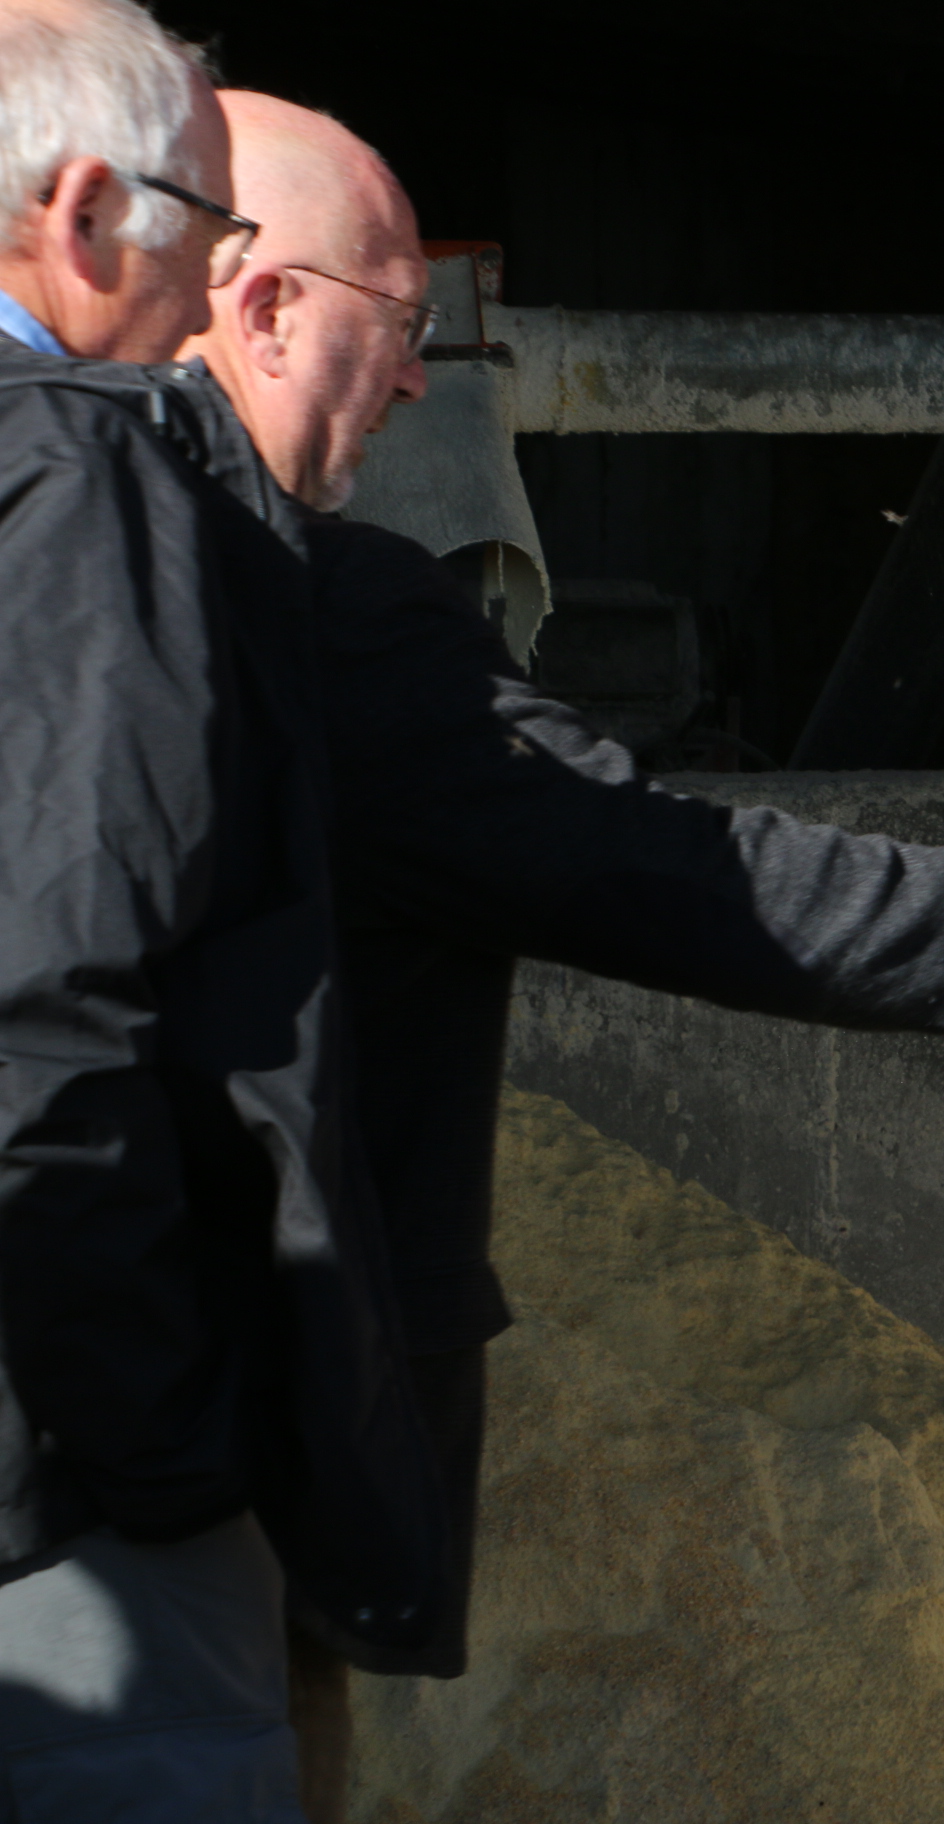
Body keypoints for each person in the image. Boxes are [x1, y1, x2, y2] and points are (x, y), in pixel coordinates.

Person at [172, 90, 944, 1818]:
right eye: (400, 326)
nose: (422, 383)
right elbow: (647, 869)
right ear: (265, 303)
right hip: (218, 1413)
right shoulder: (318, 607)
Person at [0, 5, 451, 1818]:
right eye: (203, 235)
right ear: (90, 211)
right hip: (71, 1516)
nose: (210, 311)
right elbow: (45, 1019)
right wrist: (176, 1456)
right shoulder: (83, 469)